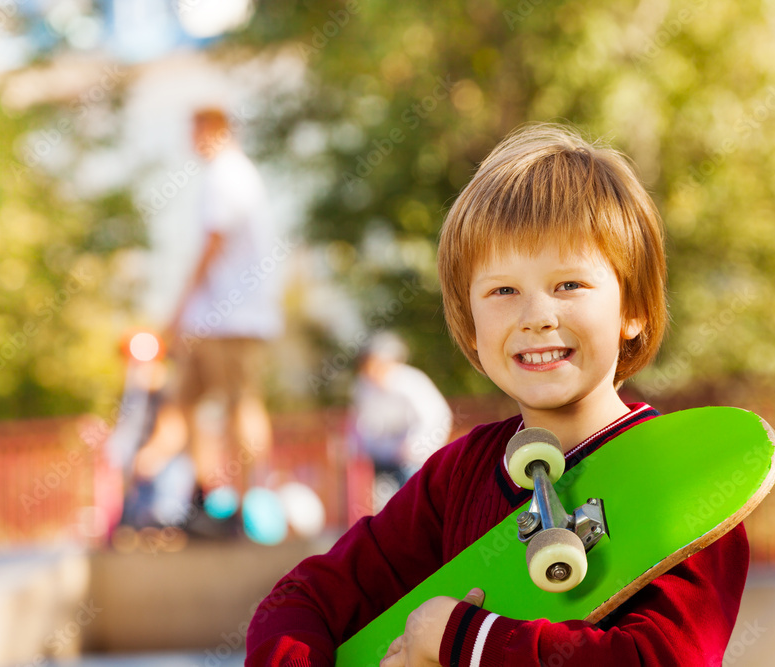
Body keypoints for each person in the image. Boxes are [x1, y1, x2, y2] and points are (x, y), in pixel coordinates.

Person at [246, 123, 748, 665]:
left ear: (634, 310)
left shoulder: (690, 479)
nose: (537, 317)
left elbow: (661, 658)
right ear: (471, 325)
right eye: (503, 290)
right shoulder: (456, 478)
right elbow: (300, 602)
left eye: (569, 284)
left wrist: (462, 639)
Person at [134, 106, 285, 543]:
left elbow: (212, 245)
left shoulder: (228, 174)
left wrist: (176, 310)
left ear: (215, 130)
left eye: (196, 132)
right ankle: (205, 501)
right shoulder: (226, 176)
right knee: (184, 406)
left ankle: (249, 503)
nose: (192, 142)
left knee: (240, 404)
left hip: (236, 318)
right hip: (212, 320)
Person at [348, 331, 453, 509]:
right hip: (383, 459)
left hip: (414, 460)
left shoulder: (411, 382)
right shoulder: (363, 387)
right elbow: (363, 426)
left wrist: (413, 448)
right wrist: (366, 449)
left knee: (413, 501)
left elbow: (437, 418)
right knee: (380, 504)